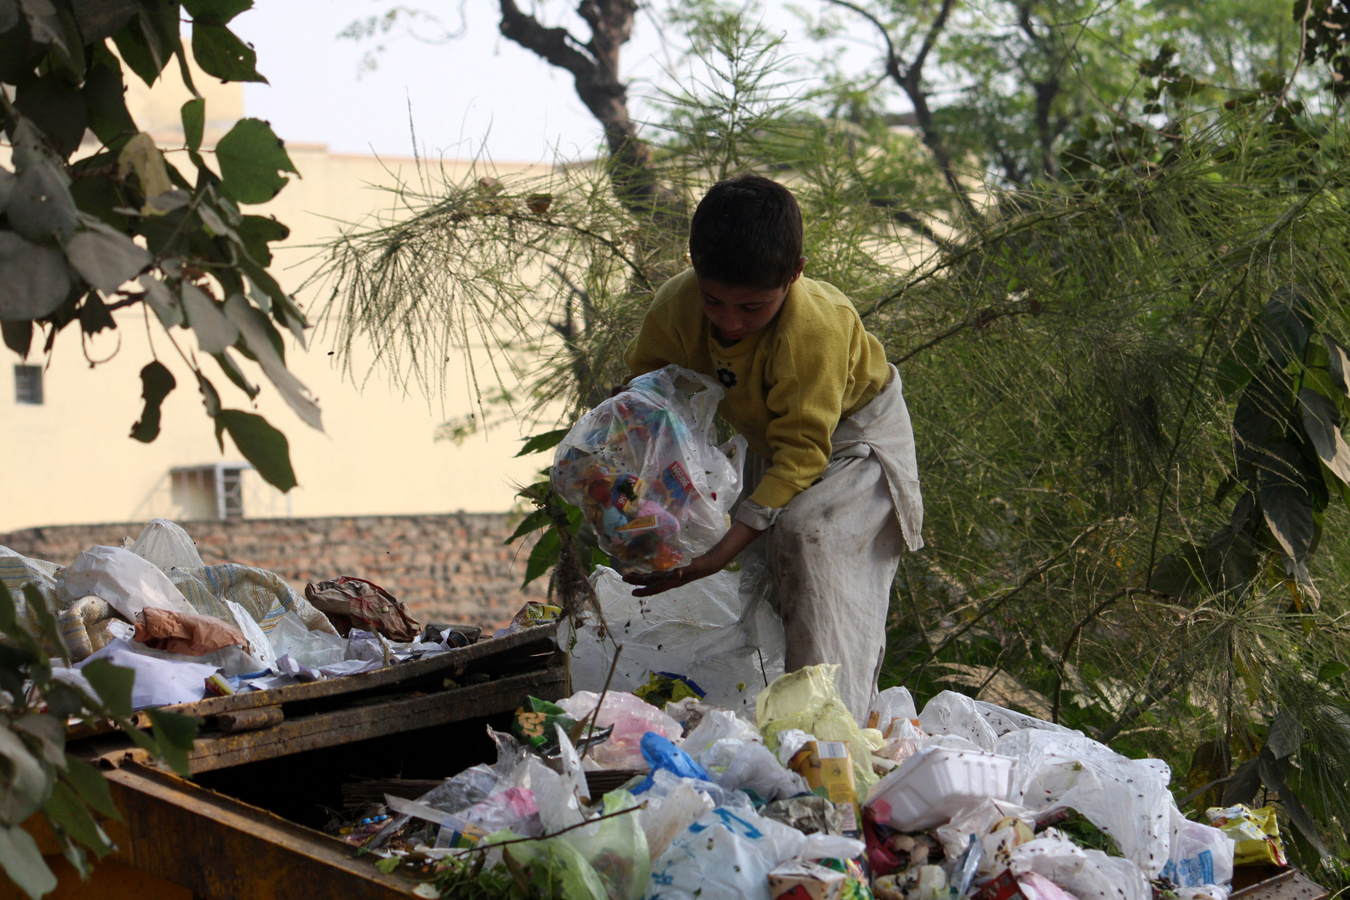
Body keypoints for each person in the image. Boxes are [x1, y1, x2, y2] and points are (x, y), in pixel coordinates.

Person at [621, 173, 924, 719]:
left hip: (852, 438)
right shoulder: (676, 307)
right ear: (693, 267)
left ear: (795, 275)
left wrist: (715, 557)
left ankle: (828, 739)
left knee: (809, 546)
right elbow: (649, 401)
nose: (730, 322)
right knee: (775, 582)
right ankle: (778, 724)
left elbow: (803, 454)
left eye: (752, 309)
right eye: (714, 302)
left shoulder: (816, 332)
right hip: (769, 435)